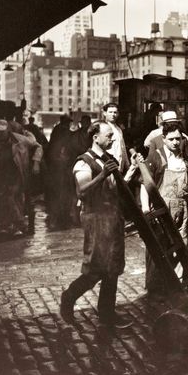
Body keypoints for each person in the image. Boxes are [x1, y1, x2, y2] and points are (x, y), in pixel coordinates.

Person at [60, 121, 140, 329]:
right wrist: (103, 174)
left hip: (112, 218)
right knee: (96, 269)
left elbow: (116, 187)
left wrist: (132, 168)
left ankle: (107, 314)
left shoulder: (108, 158)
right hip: (96, 220)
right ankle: (69, 297)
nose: (112, 138)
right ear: (95, 137)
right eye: (108, 135)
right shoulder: (84, 162)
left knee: (112, 268)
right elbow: (82, 191)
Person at [140, 121, 188, 299]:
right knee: (159, 248)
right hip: (161, 210)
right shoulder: (156, 157)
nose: (175, 142)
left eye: (178, 139)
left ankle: (176, 285)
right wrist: (145, 208)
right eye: (171, 139)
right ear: (164, 139)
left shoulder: (184, 158)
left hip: (182, 209)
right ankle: (154, 288)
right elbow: (145, 184)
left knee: (182, 246)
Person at [0, 118, 43, 236]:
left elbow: (38, 146)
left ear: (7, 130)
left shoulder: (20, 139)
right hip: (0, 173)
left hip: (17, 172)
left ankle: (19, 224)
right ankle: (10, 226)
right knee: (9, 198)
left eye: (1, 132)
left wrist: (36, 162)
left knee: (10, 196)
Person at [102, 103, 129, 173]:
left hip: (120, 166)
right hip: (109, 166)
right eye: (110, 112)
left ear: (118, 114)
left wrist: (127, 164)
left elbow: (123, 148)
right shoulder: (103, 129)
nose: (113, 114)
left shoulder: (119, 129)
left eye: (115, 112)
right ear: (105, 113)